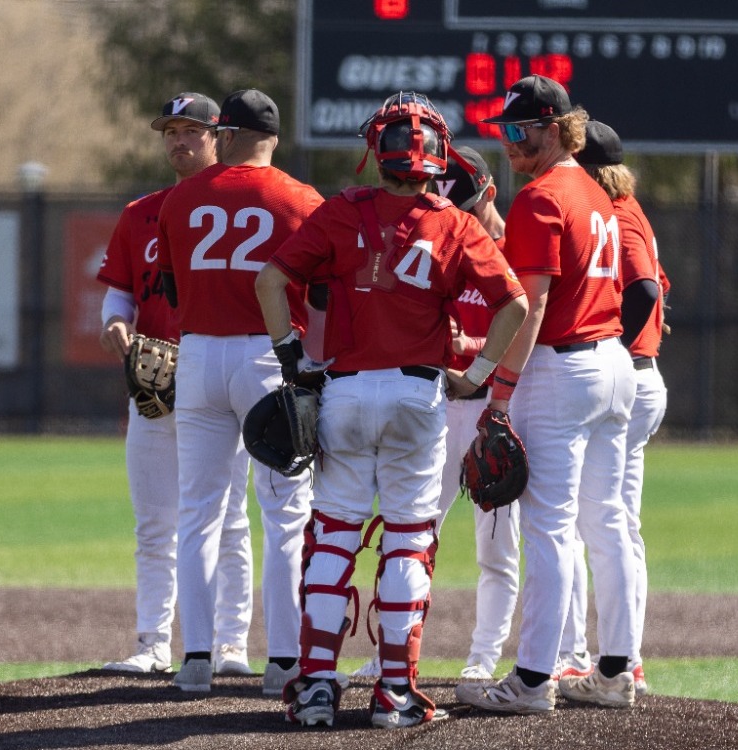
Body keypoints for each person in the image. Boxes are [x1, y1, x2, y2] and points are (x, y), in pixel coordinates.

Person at [255, 92, 528, 729]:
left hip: (346, 391)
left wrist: (293, 359)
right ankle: (396, 695)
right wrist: (478, 375)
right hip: (418, 394)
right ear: (437, 158)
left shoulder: (339, 211)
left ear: (376, 154)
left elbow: (271, 281)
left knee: (332, 539)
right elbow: (513, 304)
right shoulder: (456, 223)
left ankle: (317, 686)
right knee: (408, 544)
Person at [453, 75, 639, 714]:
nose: (509, 142)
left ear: (557, 128)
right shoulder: (594, 190)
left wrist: (498, 391)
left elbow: (529, 306)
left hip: (562, 370)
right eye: (503, 130)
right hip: (615, 365)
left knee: (551, 528)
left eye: (521, 130)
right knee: (607, 521)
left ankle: (532, 680)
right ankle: (616, 672)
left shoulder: (540, 197)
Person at [153, 88, 321, 696]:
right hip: (266, 357)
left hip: (198, 355)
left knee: (198, 513)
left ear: (222, 133)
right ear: (274, 139)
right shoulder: (301, 198)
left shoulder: (181, 198)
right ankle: (282, 661)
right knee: (283, 514)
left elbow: (171, 289)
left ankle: (196, 658)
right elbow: (320, 295)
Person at [95, 92, 254, 678]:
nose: (178, 141)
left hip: (221, 380)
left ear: (219, 138)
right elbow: (121, 292)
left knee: (231, 518)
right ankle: (152, 641)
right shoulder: (141, 212)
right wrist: (114, 320)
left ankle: (231, 644)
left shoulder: (244, 206)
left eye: (191, 130)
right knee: (155, 522)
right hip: (155, 382)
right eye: (170, 131)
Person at [349, 145, 517, 684]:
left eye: (463, 202)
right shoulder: (440, 236)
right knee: (413, 532)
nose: (454, 213)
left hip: (493, 405)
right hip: (440, 405)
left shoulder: (513, 249)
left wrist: (466, 344)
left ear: (488, 193)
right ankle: (391, 652)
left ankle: (484, 657)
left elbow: (523, 331)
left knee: (497, 544)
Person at [560, 119, 670, 697]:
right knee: (619, 525)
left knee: (595, 523)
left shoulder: (616, 214)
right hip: (642, 375)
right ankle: (625, 659)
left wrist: (614, 344)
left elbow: (646, 289)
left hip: (627, 374)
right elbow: (657, 288)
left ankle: (597, 659)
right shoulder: (630, 209)